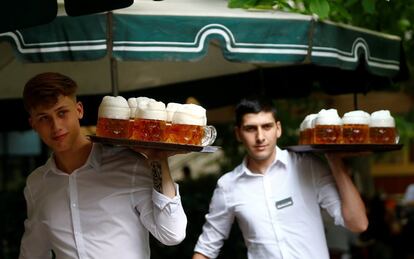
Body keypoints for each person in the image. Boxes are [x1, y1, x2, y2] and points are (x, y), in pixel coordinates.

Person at [19, 72, 187, 259]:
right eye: (44, 118)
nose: (56, 126)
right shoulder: (36, 184)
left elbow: (172, 234)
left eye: (62, 112)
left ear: (79, 110)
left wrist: (159, 160)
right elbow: (33, 252)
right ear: (32, 124)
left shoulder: (129, 165)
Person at [192, 96, 368, 259]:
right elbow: (207, 248)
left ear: (278, 129)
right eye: (250, 129)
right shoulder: (228, 186)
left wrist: (334, 160)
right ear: (238, 134)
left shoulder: (308, 166)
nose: (260, 137)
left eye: (266, 127)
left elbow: (358, 224)